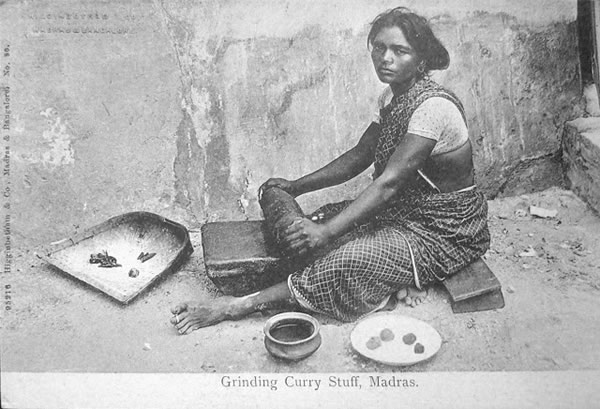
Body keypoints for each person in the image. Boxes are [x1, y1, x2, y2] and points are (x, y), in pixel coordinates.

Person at [171, 7, 490, 334]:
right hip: (402, 213)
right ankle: (375, 280)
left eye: (400, 50)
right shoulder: (392, 96)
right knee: (313, 227)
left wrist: (328, 232)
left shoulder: (434, 108)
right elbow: (358, 157)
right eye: (379, 47)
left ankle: (234, 307)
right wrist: (296, 187)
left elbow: (389, 184)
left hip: (444, 229)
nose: (385, 58)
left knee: (342, 256)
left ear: (421, 59)